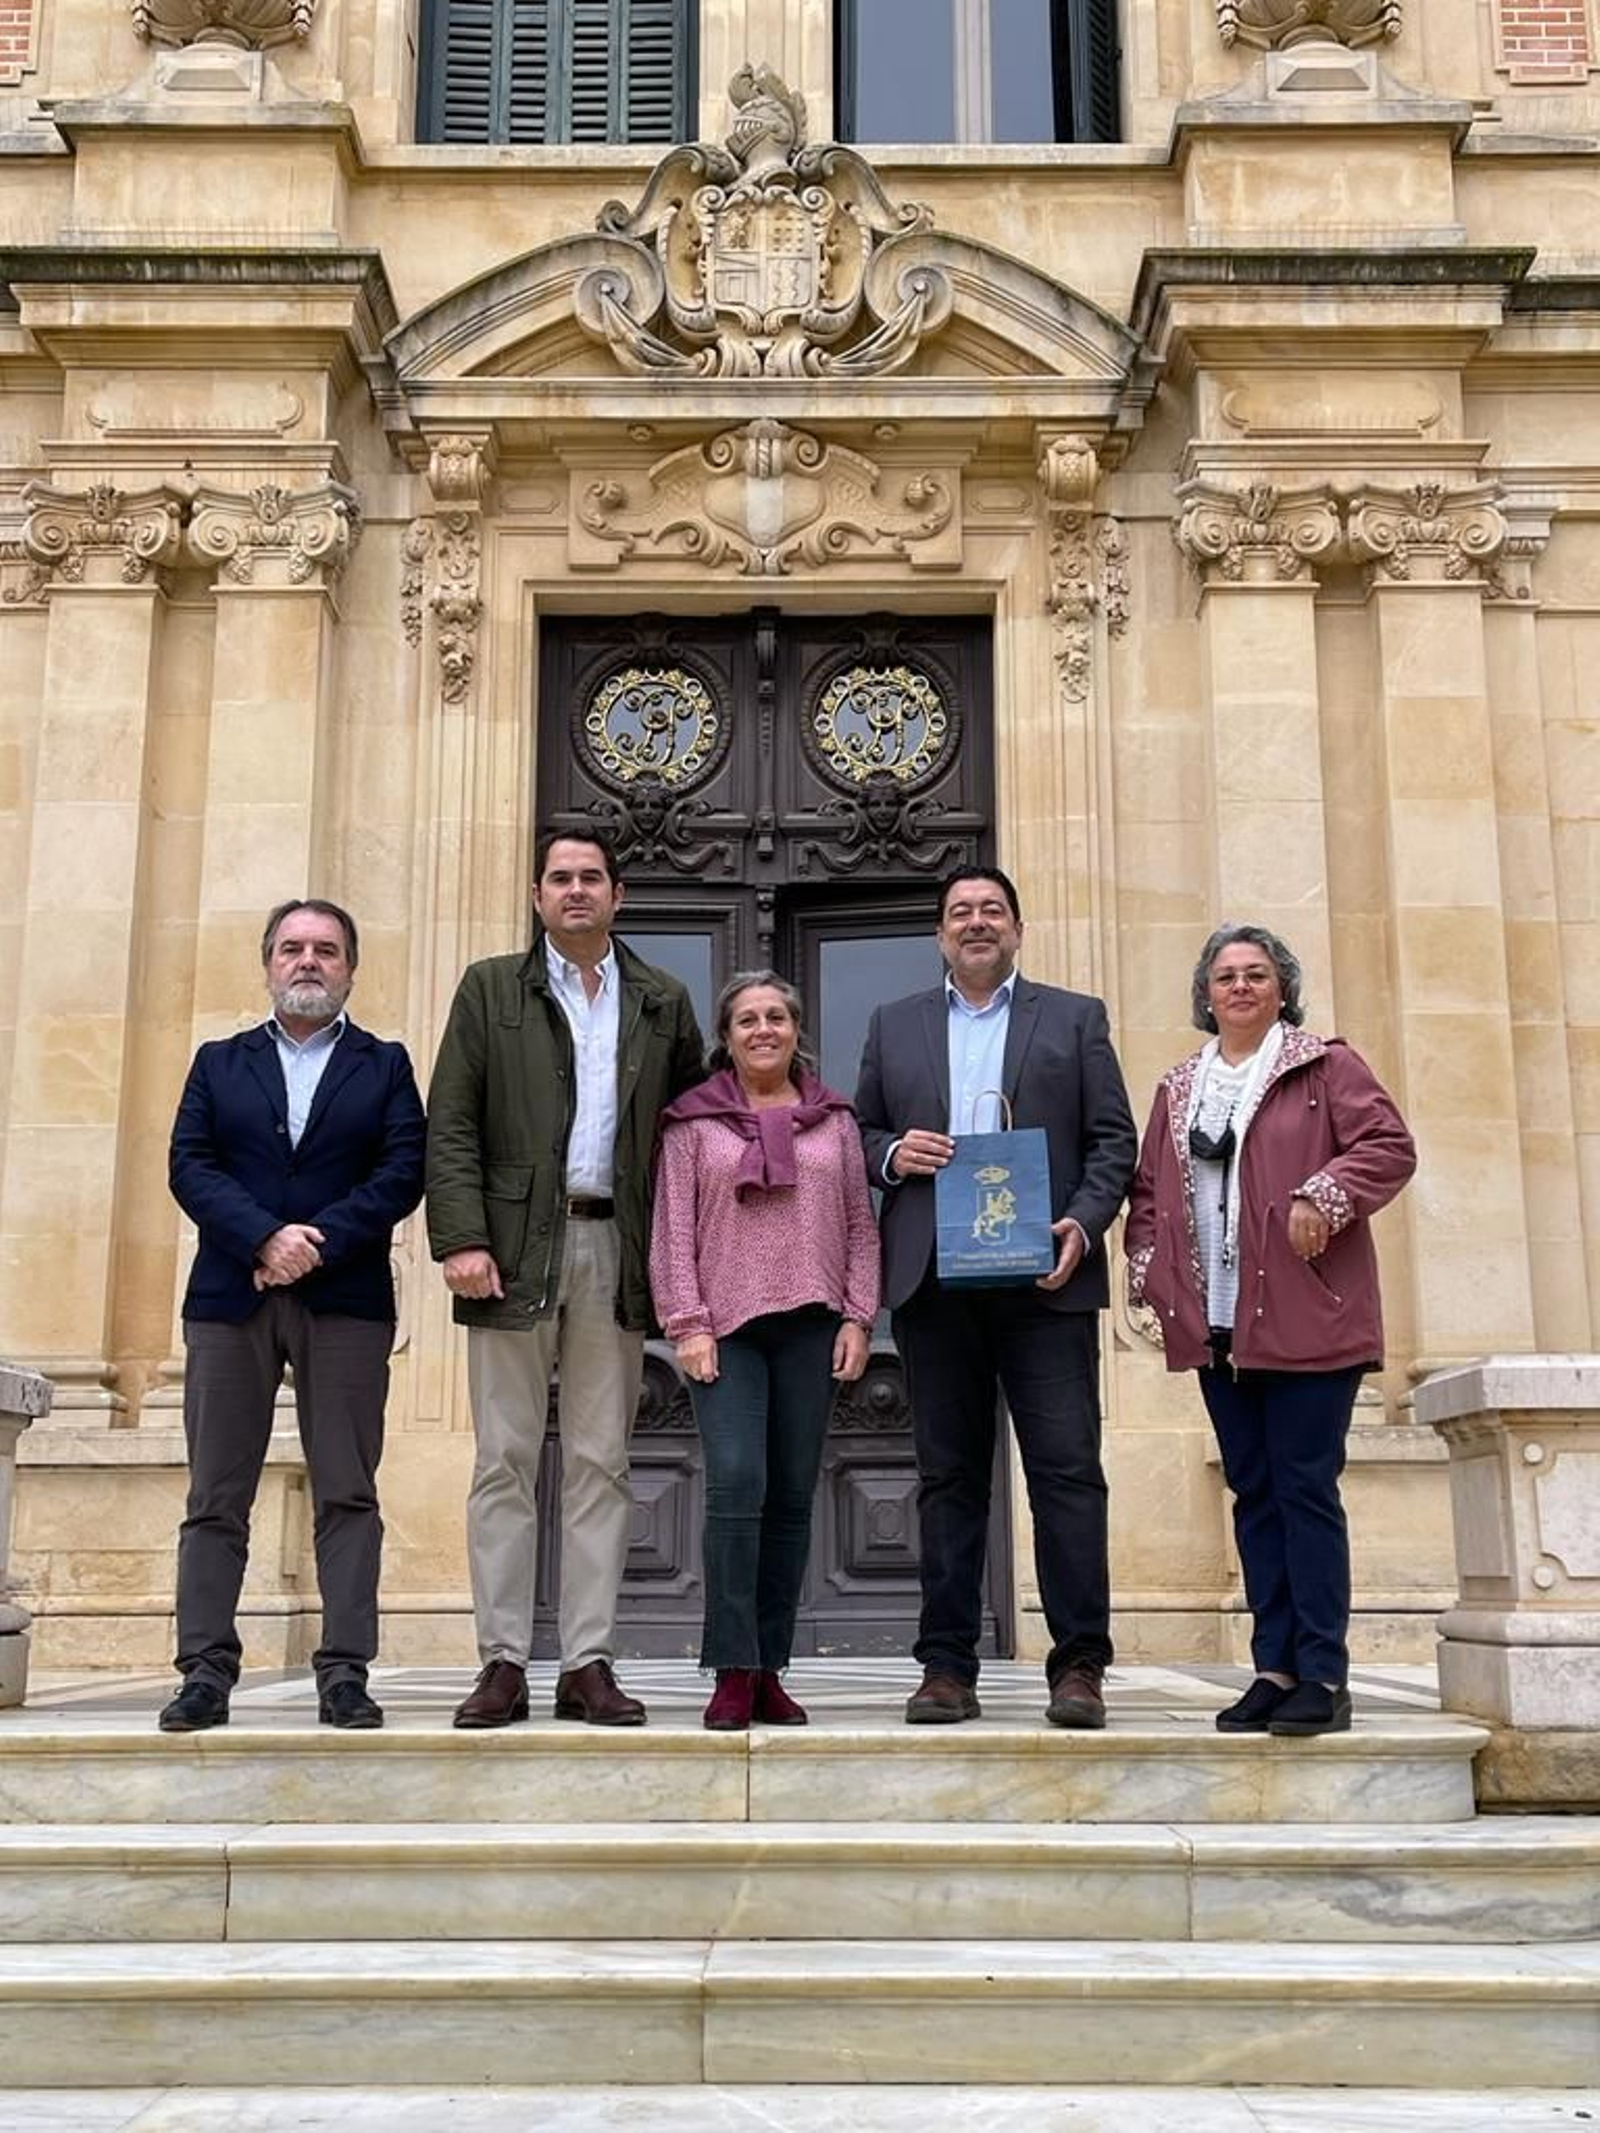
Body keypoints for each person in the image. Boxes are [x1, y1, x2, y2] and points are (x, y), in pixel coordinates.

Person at [426, 829, 704, 1729]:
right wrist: (462, 1238)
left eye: (591, 878)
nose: (576, 891)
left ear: (618, 894)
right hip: (511, 1252)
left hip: (614, 1249)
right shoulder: (490, 989)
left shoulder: (662, 999)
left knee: (602, 1462)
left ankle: (587, 1659)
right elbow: (453, 1122)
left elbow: (697, 1125)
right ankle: (502, 1659)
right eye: (560, 878)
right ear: (538, 894)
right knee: (503, 1458)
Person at [854, 867, 1137, 1729]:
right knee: (948, 1478)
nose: (976, 925)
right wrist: (896, 1152)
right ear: (940, 934)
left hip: (1044, 1280)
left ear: (1017, 925)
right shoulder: (893, 1023)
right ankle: (946, 1664)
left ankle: (1078, 1664)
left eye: (991, 911)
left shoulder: (1075, 1016)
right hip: (938, 1281)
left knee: (1066, 1476)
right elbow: (858, 1131)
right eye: (960, 914)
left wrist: (1082, 1227)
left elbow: (1112, 1141)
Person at [1125, 924, 1416, 1738]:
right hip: (1219, 1324)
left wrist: (1324, 1193)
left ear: (1282, 988)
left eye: (1256, 974)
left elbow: (1389, 1146)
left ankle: (1324, 1670)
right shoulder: (1180, 1087)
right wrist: (1149, 1264)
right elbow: (1148, 1191)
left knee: (1304, 1490)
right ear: (1206, 994)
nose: (1241, 986)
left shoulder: (1324, 1064)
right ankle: (1274, 1666)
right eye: (1226, 976)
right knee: (1254, 1493)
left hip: (1310, 1316)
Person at [160, 899, 426, 1734]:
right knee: (216, 1493)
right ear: (268, 962)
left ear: (350, 967)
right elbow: (189, 1164)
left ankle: (345, 1671)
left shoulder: (384, 1065)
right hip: (231, 1297)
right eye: (292, 949)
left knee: (348, 1490)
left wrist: (319, 1241)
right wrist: (262, 1236)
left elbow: (403, 1169)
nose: (307, 961)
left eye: (325, 950)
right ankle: (205, 1670)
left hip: (343, 1298)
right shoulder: (219, 1061)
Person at [650, 972, 880, 1730]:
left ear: (795, 1028)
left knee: (788, 1495)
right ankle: (730, 1665)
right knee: (736, 1484)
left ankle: (769, 1667)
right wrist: (686, 1322)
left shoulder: (834, 1122)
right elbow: (673, 1230)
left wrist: (858, 1317)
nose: (762, 1029)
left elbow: (859, 1223)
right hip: (727, 1327)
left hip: (813, 1323)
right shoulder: (692, 1124)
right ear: (726, 1034)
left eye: (776, 1016)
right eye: (747, 1019)